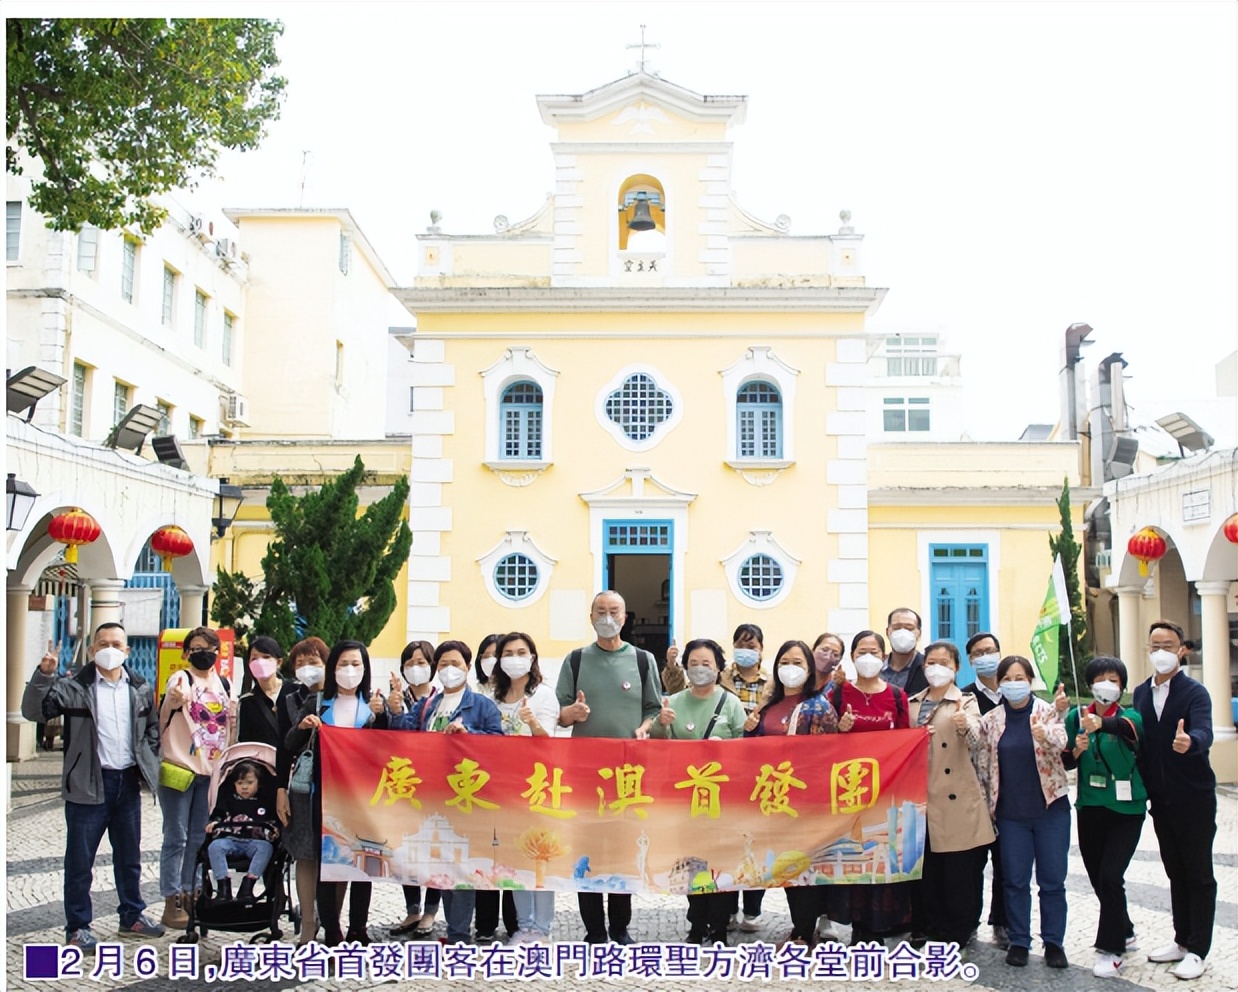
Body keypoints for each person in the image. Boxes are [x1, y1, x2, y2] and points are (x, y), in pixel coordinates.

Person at [21, 622, 165, 950]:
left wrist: (149, 758)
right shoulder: (74, 688)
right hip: (88, 783)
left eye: (116, 643)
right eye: (103, 643)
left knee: (129, 857)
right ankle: (77, 926)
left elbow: (152, 727)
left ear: (127, 651)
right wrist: (44, 675)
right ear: (92, 650)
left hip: (127, 782)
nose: (110, 648)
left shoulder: (140, 688)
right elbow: (33, 712)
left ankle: (132, 915)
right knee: (80, 860)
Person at [555, 590, 663, 944]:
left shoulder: (643, 660)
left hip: (628, 777)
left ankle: (620, 927)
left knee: (621, 851)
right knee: (587, 851)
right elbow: (556, 712)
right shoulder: (575, 661)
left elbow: (654, 709)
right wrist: (571, 714)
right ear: (590, 617)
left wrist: (646, 727)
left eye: (613, 611)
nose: (607, 616)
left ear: (625, 616)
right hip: (584, 776)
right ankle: (594, 930)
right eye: (600, 611)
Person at [390, 639, 503, 943]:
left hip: (466, 799)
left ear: (468, 666)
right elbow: (403, 736)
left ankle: (458, 935)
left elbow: (499, 745)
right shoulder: (428, 704)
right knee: (441, 867)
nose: (449, 670)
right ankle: (452, 930)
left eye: (455, 664)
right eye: (442, 665)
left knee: (461, 869)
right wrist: (396, 709)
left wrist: (470, 735)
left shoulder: (482, 705)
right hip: (431, 798)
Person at [285, 639, 389, 945]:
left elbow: (388, 748)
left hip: (364, 799)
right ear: (333, 669)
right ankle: (331, 928)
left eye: (356, 664)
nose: (349, 670)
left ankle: (358, 927)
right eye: (343, 664)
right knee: (326, 863)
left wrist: (383, 716)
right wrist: (303, 727)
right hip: (324, 796)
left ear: (365, 669)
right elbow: (289, 743)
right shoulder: (318, 703)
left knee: (364, 862)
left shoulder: (372, 706)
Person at [1133, 620, 1216, 982]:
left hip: (1194, 798)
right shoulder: (1140, 693)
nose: (1161, 652)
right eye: (1156, 646)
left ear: (1181, 650)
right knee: (1175, 871)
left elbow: (1204, 730)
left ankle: (1199, 950)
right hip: (1161, 800)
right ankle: (1182, 941)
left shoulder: (1195, 693)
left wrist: (1191, 742)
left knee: (1198, 874)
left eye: (1168, 645)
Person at [743, 639, 839, 945]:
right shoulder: (768, 706)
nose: (791, 668)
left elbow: (827, 756)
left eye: (798, 663)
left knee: (804, 867)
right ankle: (799, 925)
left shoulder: (819, 706)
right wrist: (748, 730)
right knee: (785, 866)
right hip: (772, 800)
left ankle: (803, 931)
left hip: (804, 803)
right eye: (785, 661)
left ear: (809, 669)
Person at [652, 638, 748, 944]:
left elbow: (746, 748)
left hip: (722, 799)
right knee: (691, 862)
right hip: (687, 798)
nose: (700, 669)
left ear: (718, 667)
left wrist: (727, 750)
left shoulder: (730, 702)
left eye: (706, 663)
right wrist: (661, 723)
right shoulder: (675, 702)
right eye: (693, 663)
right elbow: (656, 745)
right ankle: (696, 923)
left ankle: (719, 926)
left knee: (720, 862)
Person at [976, 655, 1069, 969]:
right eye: (1008, 679)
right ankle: (1019, 940)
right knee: (1015, 880)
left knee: (1052, 881)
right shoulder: (992, 720)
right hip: (1009, 814)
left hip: (1050, 810)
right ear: (1000, 683)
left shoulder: (1048, 711)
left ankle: (1054, 942)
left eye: (1020, 678)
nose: (1014, 684)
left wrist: (1046, 735)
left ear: (1030, 681)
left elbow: (1062, 742)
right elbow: (982, 762)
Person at [1062, 655, 1146, 979]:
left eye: (1113, 680)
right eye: (1100, 679)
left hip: (1126, 810)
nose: (1106, 686)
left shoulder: (1131, 716)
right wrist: (1077, 749)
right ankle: (1124, 928)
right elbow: (1067, 760)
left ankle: (1111, 948)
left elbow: (1129, 730)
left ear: (1122, 686)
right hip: (1091, 807)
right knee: (1100, 879)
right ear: (1089, 684)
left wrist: (1101, 724)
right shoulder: (1075, 717)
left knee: (1112, 876)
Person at [907, 640, 994, 950]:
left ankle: (960, 927)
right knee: (926, 868)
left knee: (959, 870)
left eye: (945, 662)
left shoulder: (965, 702)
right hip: (920, 798)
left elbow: (977, 737)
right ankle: (925, 924)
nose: (937, 667)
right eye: (932, 662)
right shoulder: (912, 704)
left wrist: (964, 725)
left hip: (956, 796)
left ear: (957, 668)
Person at [834, 630, 913, 943]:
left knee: (882, 854)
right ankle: (856, 926)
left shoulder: (896, 696)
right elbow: (823, 742)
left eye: (874, 651)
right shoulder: (839, 694)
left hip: (887, 793)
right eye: (861, 651)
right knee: (855, 857)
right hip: (849, 793)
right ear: (852, 657)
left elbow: (908, 741)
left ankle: (880, 926)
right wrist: (839, 730)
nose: (868, 657)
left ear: (884, 657)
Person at [158, 626, 232, 928]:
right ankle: (171, 899)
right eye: (197, 647)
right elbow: (167, 710)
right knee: (176, 836)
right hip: (180, 769)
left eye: (210, 648)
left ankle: (192, 892)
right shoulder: (181, 679)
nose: (204, 653)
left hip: (209, 772)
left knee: (200, 838)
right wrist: (173, 700)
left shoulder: (223, 683)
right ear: (187, 652)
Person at [490, 632, 562, 942]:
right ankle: (523, 925)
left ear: (532, 658)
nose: (515, 658)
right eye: (508, 652)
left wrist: (532, 722)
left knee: (539, 857)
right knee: (514, 858)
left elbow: (547, 742)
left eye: (522, 652)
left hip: (537, 788)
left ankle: (541, 927)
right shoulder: (493, 697)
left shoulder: (543, 695)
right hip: (503, 790)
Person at [275, 636, 330, 946]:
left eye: (314, 662)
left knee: (336, 854)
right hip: (301, 787)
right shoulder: (289, 698)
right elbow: (282, 747)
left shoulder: (339, 697)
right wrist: (280, 789)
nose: (307, 669)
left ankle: (331, 918)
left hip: (338, 786)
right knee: (304, 855)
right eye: (300, 663)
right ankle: (307, 922)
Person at [386, 639, 443, 939]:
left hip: (435, 786)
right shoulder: (394, 698)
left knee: (435, 848)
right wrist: (390, 710)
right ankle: (412, 909)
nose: (415, 668)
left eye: (422, 662)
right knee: (405, 847)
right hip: (403, 786)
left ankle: (431, 911)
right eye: (409, 662)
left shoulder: (442, 699)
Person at [721, 622, 772, 931]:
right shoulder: (720, 678)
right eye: (741, 643)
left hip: (761, 770)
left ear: (762, 650)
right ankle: (726, 907)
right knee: (727, 839)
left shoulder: (772, 683)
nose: (747, 650)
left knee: (757, 838)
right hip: (725, 770)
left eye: (752, 645)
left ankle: (752, 908)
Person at [962, 631, 1009, 949]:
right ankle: (967, 922)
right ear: (970, 660)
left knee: (1007, 864)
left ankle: (1003, 922)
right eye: (979, 653)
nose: (986, 657)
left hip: (1009, 793)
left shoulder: (1016, 695)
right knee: (970, 865)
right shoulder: (962, 697)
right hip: (972, 794)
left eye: (990, 651)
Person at [471, 631, 518, 941]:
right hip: (478, 785)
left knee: (512, 854)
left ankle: (515, 922)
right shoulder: (472, 693)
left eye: (496, 655)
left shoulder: (519, 693)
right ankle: (485, 923)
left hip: (514, 784)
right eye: (486, 655)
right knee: (483, 853)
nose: (492, 661)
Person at [205, 760, 281, 906]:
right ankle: (223, 886)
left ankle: (248, 885)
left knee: (266, 848)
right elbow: (218, 814)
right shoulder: (228, 799)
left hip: (255, 841)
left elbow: (273, 820)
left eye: (249, 782)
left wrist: (275, 830)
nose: (244, 787)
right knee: (214, 847)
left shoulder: (266, 801)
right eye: (240, 783)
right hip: (230, 839)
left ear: (258, 783)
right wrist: (214, 822)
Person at [237, 635, 291, 747]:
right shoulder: (247, 702)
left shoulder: (295, 692)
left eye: (266, 657)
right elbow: (244, 742)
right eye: (254, 658)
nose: (260, 662)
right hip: (261, 762)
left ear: (279, 662)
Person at [882, 608, 927, 696]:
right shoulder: (877, 669)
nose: (902, 633)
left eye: (909, 628)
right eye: (896, 628)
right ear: (888, 632)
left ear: (919, 633)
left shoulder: (927, 668)